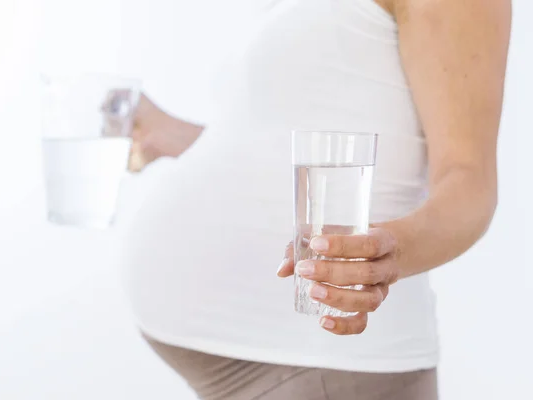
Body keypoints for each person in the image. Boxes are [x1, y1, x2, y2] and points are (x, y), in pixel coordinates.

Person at [122, 0, 511, 399]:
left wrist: (387, 255)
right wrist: (179, 136)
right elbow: (283, 144)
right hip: (273, 361)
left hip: (325, 366)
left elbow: (470, 183)